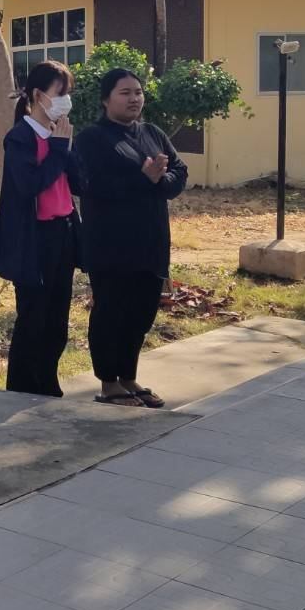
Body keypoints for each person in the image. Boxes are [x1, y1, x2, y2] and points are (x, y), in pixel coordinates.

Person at [72, 67, 188, 409]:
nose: (134, 98)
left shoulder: (152, 133)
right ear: (106, 100)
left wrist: (160, 180)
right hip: (111, 244)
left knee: (141, 313)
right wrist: (144, 179)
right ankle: (109, 384)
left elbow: (179, 171)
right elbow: (88, 185)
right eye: (125, 93)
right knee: (112, 312)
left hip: (151, 241)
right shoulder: (92, 139)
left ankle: (128, 377)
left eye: (138, 92)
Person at [0, 60, 81, 397]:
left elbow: (79, 183)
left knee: (57, 318)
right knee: (33, 317)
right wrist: (57, 149)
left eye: (68, 93)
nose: (65, 100)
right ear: (39, 96)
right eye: (60, 93)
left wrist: (66, 148)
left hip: (63, 233)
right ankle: (22, 387)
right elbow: (30, 185)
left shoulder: (60, 135)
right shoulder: (20, 138)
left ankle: (47, 380)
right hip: (34, 239)